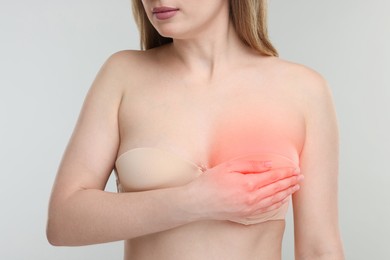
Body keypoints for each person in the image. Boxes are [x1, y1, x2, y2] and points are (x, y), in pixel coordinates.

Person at [46, 0, 345, 259]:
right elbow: (62, 221)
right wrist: (194, 201)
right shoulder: (123, 74)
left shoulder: (304, 90)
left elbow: (320, 250)